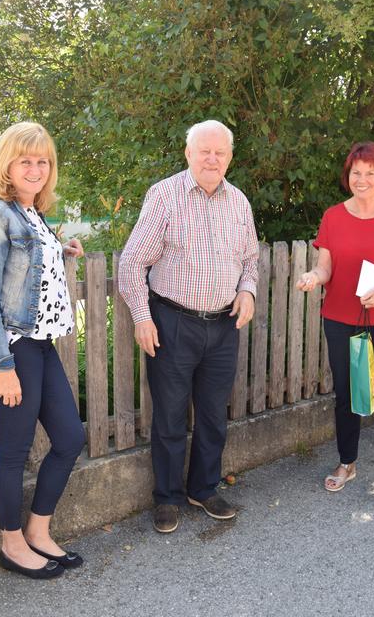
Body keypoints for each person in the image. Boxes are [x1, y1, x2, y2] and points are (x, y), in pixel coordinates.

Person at [119, 120, 259, 533]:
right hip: (173, 323)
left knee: (214, 415)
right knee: (170, 417)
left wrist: (248, 290)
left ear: (230, 157)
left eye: (220, 152)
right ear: (189, 154)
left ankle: (203, 487)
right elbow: (131, 262)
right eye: (204, 151)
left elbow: (251, 258)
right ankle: (166, 497)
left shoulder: (239, 202)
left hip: (223, 327)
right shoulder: (165, 195)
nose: (212, 159)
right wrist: (142, 317)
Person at [0, 122, 86, 578]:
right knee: (14, 452)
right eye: (25, 160)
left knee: (71, 438)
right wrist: (2, 368)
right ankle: (12, 544)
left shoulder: (31, 213)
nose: (35, 169)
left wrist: (61, 250)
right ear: (8, 165)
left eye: (43, 161)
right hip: (14, 351)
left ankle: (38, 531)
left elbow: (27, 270)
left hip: (42, 346)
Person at [296, 141, 374, 511]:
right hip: (339, 318)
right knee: (346, 396)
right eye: (356, 172)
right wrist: (313, 276)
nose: (362, 179)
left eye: (370, 172)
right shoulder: (333, 216)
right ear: (347, 176)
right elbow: (326, 267)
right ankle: (347, 463)